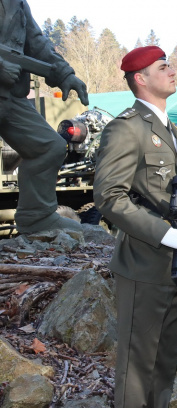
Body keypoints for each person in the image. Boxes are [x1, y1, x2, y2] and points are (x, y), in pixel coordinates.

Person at [94, 46, 177, 408]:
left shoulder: (170, 129)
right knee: (137, 368)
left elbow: (170, 192)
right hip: (144, 262)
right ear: (140, 78)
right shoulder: (126, 128)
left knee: (164, 360)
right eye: (164, 67)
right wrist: (163, 233)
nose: (172, 71)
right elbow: (110, 197)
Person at [1, 0, 89, 233]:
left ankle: (37, 219)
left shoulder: (17, 3)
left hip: (10, 96)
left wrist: (65, 74)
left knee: (49, 147)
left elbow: (37, 43)